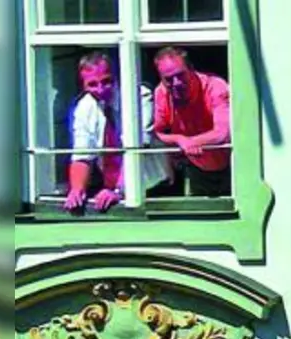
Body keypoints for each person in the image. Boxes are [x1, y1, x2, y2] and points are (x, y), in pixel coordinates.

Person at [64, 52, 173, 213]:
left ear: (116, 77)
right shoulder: (84, 106)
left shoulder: (140, 96)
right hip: (111, 192)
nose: (100, 90)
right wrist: (76, 190)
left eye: (106, 81)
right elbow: (82, 155)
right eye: (92, 84)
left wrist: (119, 191)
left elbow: (138, 149)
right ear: (83, 86)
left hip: (154, 190)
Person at [151, 46, 232, 197]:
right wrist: (180, 140)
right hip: (196, 170)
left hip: (232, 168)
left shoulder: (215, 86)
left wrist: (192, 141)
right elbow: (154, 134)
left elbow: (223, 134)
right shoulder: (161, 93)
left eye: (180, 76)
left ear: (191, 69)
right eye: (168, 79)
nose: (176, 83)